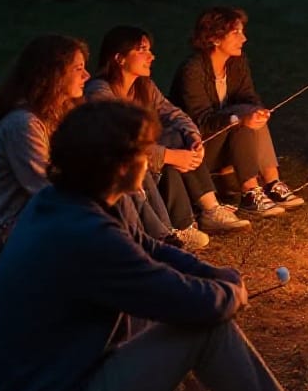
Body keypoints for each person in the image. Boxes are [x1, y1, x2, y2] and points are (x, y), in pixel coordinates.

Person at [0, 99, 308, 391]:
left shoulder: (61, 202)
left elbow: (144, 247)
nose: (149, 158)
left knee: (181, 310)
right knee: (205, 329)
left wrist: (209, 272)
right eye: (144, 150)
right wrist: (231, 290)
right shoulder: (85, 235)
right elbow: (197, 306)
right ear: (121, 164)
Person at [87, 26, 248, 241]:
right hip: (118, 168)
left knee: (177, 136)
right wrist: (169, 156)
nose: (151, 56)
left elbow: (174, 114)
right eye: (142, 50)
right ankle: (179, 226)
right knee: (168, 153)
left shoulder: (145, 87)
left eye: (150, 50)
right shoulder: (100, 92)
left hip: (146, 161)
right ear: (119, 58)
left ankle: (209, 209)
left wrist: (193, 137)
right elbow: (121, 145)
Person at [170, 7, 303, 219]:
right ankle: (251, 192)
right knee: (242, 118)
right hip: (198, 149)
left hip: (229, 143)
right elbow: (200, 122)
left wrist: (256, 112)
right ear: (214, 38)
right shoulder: (192, 70)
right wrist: (237, 118)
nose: (244, 38)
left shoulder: (236, 63)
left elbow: (248, 97)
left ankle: (272, 183)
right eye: (236, 33)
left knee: (251, 113)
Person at [0, 35, 90, 260]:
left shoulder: (55, 116)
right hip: (0, 229)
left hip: (35, 216)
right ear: (54, 74)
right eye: (78, 68)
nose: (86, 75)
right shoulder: (23, 124)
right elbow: (45, 186)